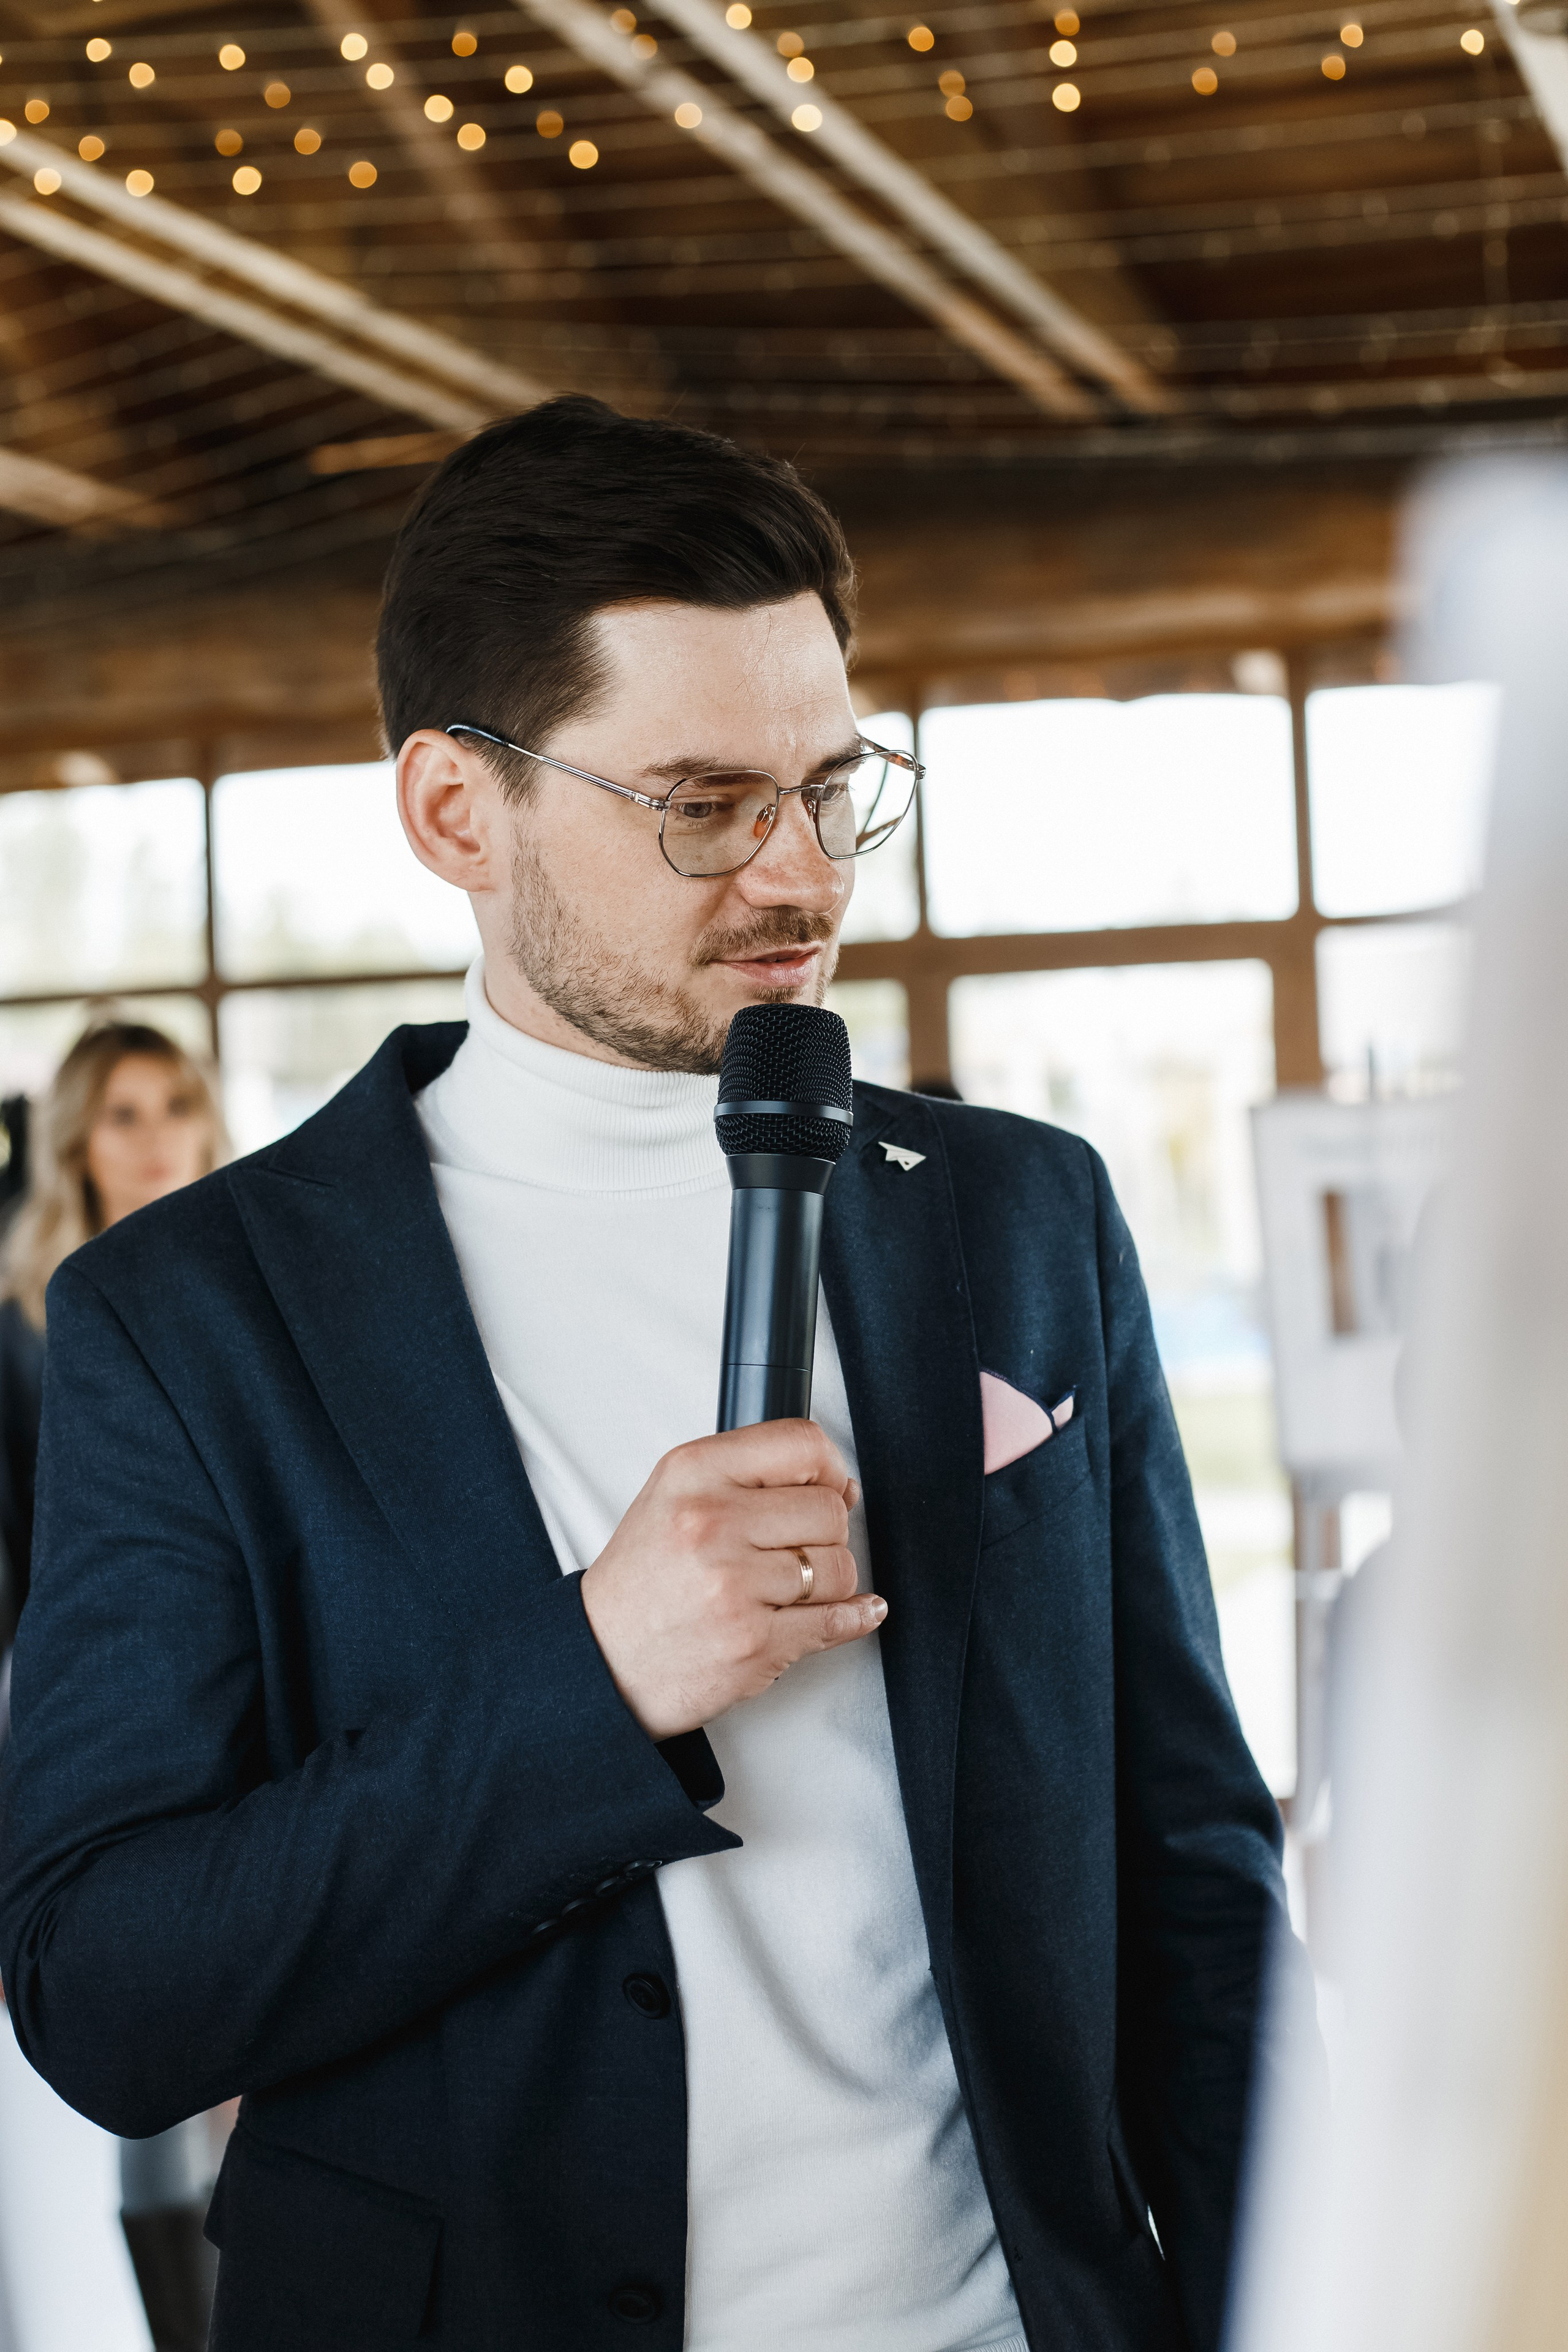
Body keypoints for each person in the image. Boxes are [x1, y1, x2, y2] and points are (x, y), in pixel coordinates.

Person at [0, 399, 1310, 2352]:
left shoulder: (1028, 1217)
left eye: (833, 788)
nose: (800, 878)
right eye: (703, 804)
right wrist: (595, 1677)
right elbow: (110, 1987)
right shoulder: (190, 1316)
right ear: (459, 811)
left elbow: (1195, 1875)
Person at [0, 1019, 228, 2352]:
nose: (152, 1141)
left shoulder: (247, 1294)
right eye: (121, 1115)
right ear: (78, 1143)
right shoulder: (26, 1328)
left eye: (173, 1109)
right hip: (76, 1713)